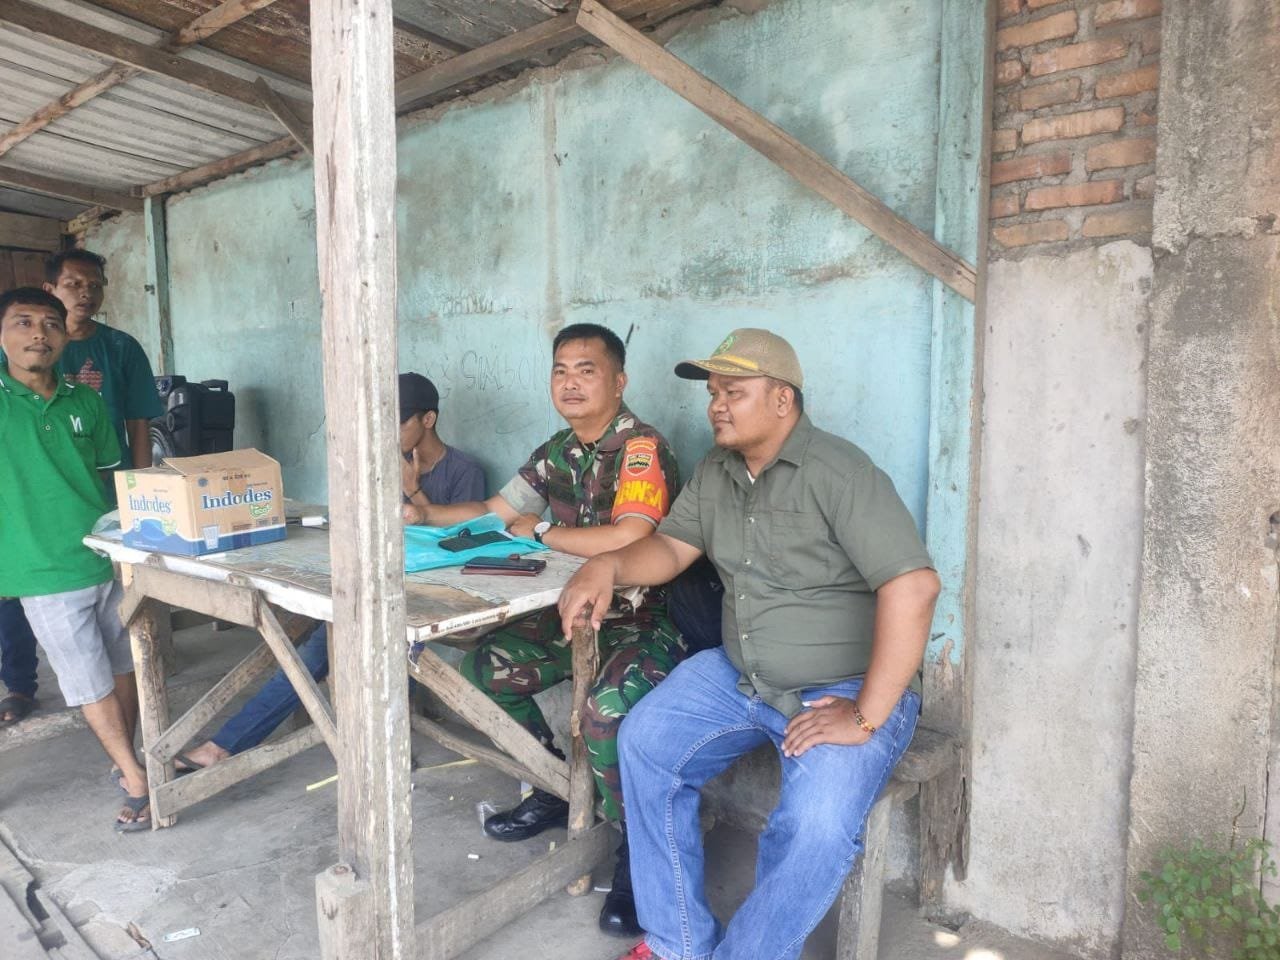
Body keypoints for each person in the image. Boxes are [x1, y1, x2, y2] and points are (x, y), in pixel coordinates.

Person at [557, 328, 942, 960]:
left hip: (843, 687)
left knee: (816, 826)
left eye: (733, 392)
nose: (716, 406)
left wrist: (866, 713)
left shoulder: (840, 472)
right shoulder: (717, 471)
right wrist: (609, 566)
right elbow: (671, 549)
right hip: (741, 675)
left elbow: (915, 586)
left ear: (783, 399)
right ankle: (677, 943)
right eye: (713, 393)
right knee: (645, 743)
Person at [407, 322, 684, 938]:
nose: (570, 383)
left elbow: (629, 536)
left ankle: (634, 852)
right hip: (571, 617)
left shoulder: (640, 447)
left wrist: (540, 533)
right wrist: (422, 512)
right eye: (561, 371)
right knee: (482, 673)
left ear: (619, 380)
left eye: (586, 370)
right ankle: (551, 784)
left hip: (641, 623)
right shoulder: (557, 449)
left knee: (605, 714)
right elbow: (492, 512)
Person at [176, 374, 483, 769]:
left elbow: (462, 544)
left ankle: (387, 752)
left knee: (365, 650)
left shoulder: (464, 471)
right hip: (382, 589)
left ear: (428, 420)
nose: (389, 433)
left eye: (398, 422)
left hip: (436, 598)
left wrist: (412, 490)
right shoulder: (385, 464)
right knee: (313, 649)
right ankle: (225, 745)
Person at [0, 287, 151, 830]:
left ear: (65, 336)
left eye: (50, 323)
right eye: (23, 322)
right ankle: (136, 777)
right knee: (87, 677)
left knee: (124, 664)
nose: (38, 334)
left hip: (102, 556)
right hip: (43, 570)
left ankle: (124, 757)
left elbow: (108, 473)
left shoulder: (85, 401)